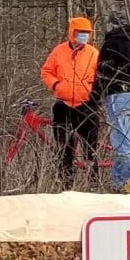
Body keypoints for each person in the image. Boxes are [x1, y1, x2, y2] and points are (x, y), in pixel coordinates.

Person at [39, 15, 101, 185]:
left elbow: (101, 76)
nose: (84, 36)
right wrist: (56, 85)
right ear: (73, 32)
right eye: (81, 32)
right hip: (63, 105)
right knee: (64, 147)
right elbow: (46, 71)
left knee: (90, 148)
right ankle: (66, 183)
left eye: (87, 33)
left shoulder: (93, 53)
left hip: (87, 106)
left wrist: (94, 93)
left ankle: (93, 184)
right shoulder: (59, 51)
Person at [96, 10, 130, 192]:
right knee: (128, 137)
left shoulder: (112, 43)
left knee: (121, 139)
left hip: (119, 94)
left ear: (112, 24)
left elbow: (103, 70)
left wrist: (97, 93)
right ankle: (119, 182)